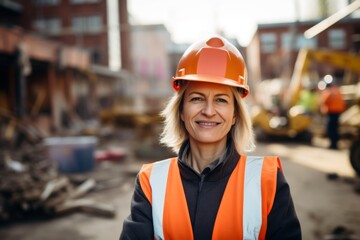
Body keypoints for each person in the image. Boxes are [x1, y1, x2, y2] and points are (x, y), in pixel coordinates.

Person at [120, 36, 301, 240]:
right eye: (197, 98)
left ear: (235, 114)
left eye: (221, 100)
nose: (208, 111)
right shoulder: (151, 181)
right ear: (181, 110)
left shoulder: (267, 180)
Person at [319, 80, 345, 149]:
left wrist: (322, 109)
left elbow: (324, 101)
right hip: (338, 112)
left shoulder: (328, 91)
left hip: (332, 112)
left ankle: (332, 144)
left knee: (330, 129)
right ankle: (335, 144)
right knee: (335, 128)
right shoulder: (337, 90)